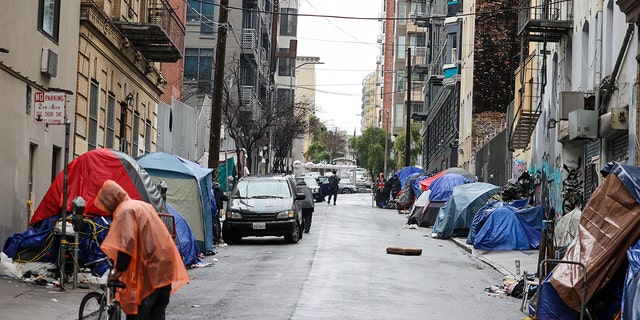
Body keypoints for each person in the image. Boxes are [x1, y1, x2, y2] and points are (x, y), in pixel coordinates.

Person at [94, 180, 189, 319]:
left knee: (139, 312)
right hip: (166, 265)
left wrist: (119, 271)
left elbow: (127, 243)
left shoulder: (125, 211)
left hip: (151, 270)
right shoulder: (142, 206)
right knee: (157, 313)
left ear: (110, 201)